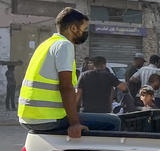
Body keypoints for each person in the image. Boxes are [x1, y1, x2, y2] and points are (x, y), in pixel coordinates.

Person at [18, 7, 120, 138]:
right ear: (73, 28)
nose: (85, 33)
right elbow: (66, 87)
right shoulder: (65, 45)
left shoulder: (46, 44)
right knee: (113, 122)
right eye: (84, 29)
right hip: (47, 118)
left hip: (27, 117)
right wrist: (74, 123)